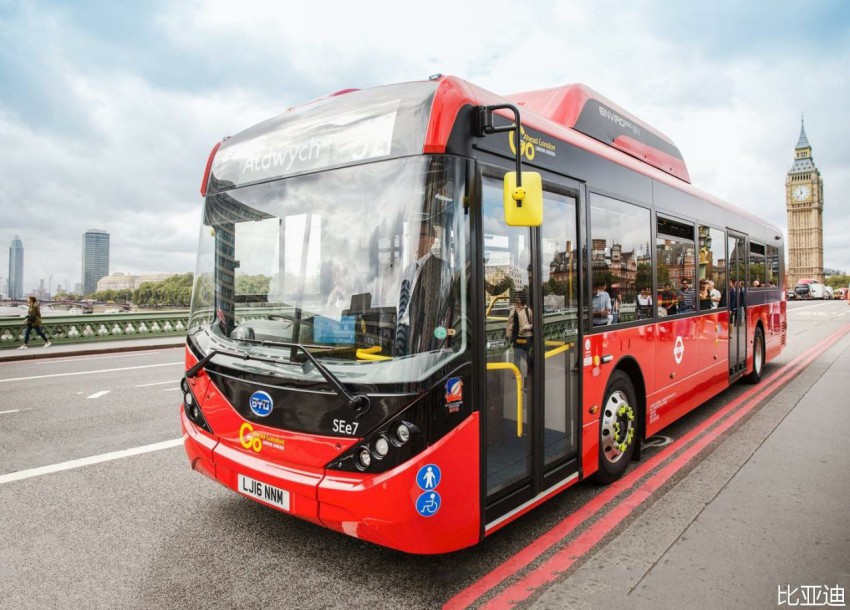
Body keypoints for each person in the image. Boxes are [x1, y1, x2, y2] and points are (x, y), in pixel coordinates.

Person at [394, 222, 453, 356]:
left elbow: (433, 310)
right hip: (402, 332)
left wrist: (426, 348)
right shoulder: (408, 269)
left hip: (420, 334)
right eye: (412, 236)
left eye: (420, 236)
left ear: (431, 240)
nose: (414, 240)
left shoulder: (440, 267)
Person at [505, 292, 533, 372]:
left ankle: (531, 370)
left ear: (522, 299)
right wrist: (508, 335)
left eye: (519, 297)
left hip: (526, 336)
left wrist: (525, 327)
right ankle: (517, 373)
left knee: (525, 354)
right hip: (515, 336)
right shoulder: (513, 310)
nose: (517, 299)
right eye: (516, 297)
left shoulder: (527, 310)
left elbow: (533, 324)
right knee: (516, 356)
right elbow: (510, 324)